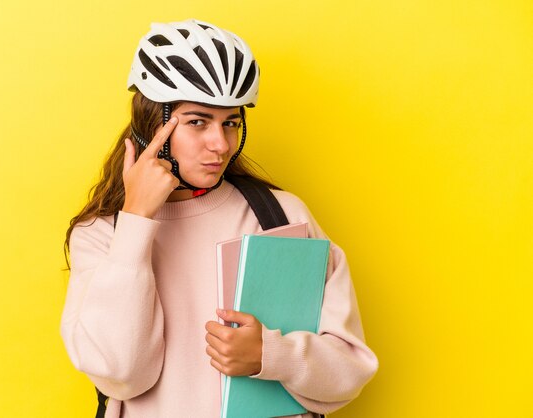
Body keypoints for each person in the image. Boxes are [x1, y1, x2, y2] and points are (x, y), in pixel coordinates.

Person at [61, 19, 378, 418]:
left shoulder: (280, 216)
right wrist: (137, 221)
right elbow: (120, 374)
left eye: (231, 122)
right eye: (197, 121)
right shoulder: (103, 234)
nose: (220, 144)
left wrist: (271, 354)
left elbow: (350, 371)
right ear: (151, 125)